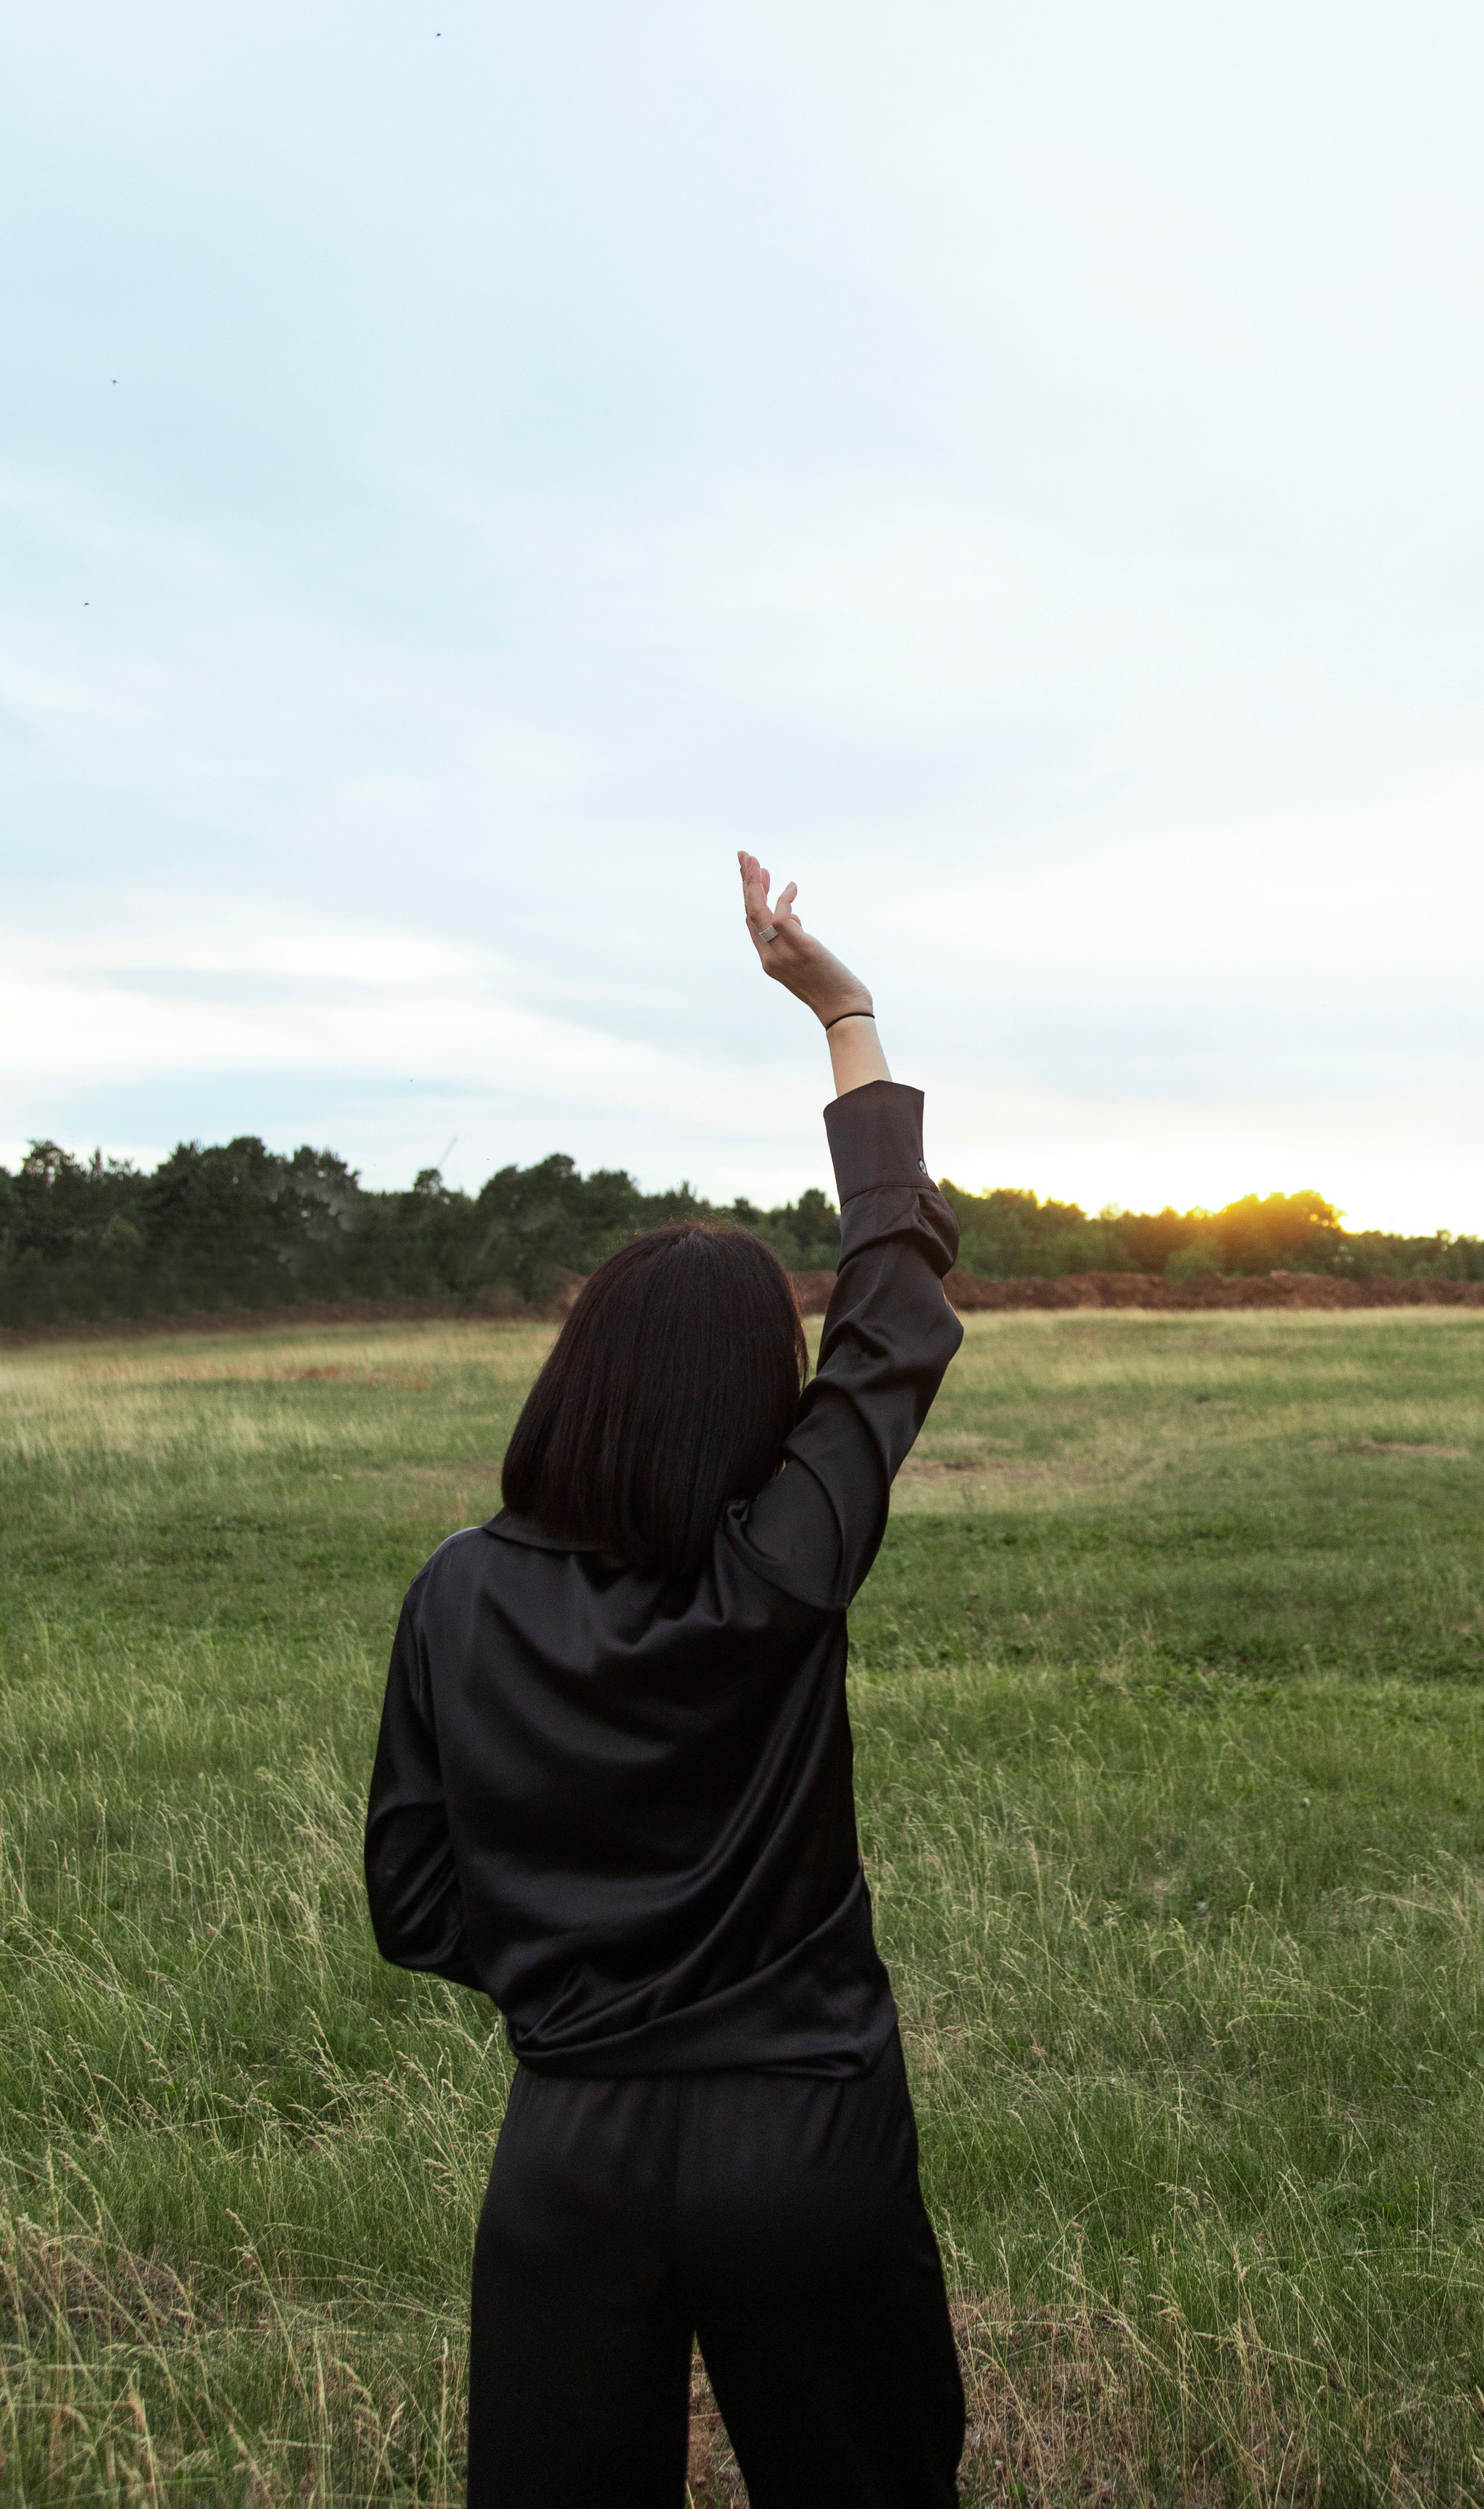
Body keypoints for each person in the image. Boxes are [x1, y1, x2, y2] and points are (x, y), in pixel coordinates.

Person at [365, 852, 967, 2509]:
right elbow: (892, 1315)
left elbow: (413, 1904)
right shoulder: (780, 1567)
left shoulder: (458, 1593)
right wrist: (843, 1017)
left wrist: (581, 1979)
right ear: (748, 1408)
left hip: (571, 2151)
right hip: (807, 2128)